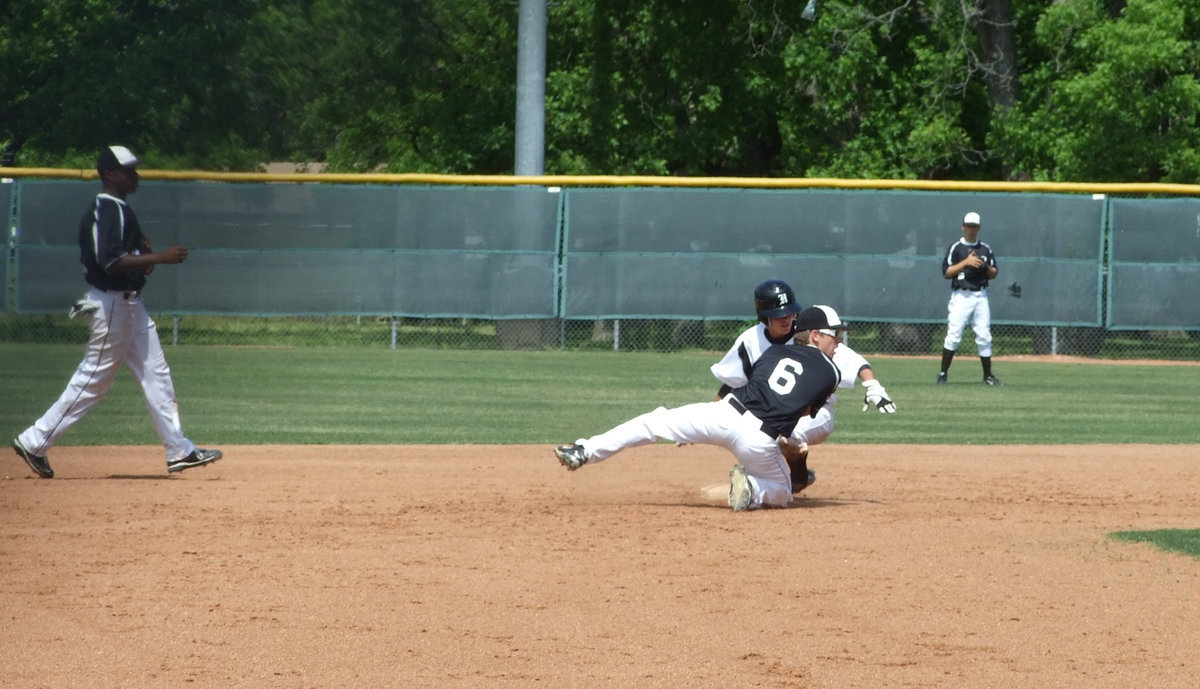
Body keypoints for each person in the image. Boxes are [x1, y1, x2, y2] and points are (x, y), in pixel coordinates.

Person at [10, 145, 222, 478]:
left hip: (131, 305)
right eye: (128, 169)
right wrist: (159, 258)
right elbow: (110, 261)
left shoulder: (120, 210)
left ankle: (179, 450)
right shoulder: (106, 208)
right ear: (110, 173)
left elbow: (125, 258)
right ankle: (35, 440)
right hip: (112, 305)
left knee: (156, 373)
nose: (134, 174)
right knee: (93, 380)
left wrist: (143, 259)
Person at [553, 305, 848, 511]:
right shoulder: (832, 372)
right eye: (834, 334)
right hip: (758, 440)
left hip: (723, 413)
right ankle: (752, 488)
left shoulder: (775, 350)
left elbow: (751, 380)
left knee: (656, 422)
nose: (839, 341)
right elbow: (808, 411)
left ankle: (585, 449)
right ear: (814, 335)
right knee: (783, 493)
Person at [710, 280, 895, 494]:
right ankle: (766, 481)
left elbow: (851, 359)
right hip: (770, 411)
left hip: (815, 413)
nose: (787, 319)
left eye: (790, 313)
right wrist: (710, 414)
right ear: (764, 316)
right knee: (756, 430)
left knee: (787, 433)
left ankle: (794, 478)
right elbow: (733, 382)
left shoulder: (806, 335)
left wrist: (872, 384)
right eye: (780, 315)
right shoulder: (751, 341)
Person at [937, 211, 1002, 386]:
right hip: (961, 296)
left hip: (981, 295)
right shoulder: (956, 248)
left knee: (984, 335)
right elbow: (947, 272)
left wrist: (984, 265)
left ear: (979, 228)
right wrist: (966, 262)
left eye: (974, 226)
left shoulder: (985, 249)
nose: (971, 230)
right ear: (963, 227)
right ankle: (943, 374)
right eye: (968, 226)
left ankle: (987, 376)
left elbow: (994, 273)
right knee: (954, 334)